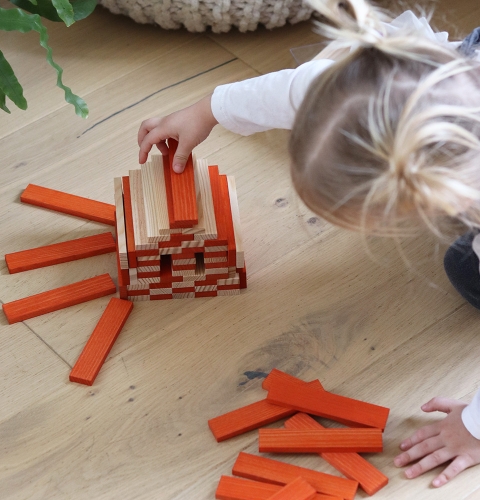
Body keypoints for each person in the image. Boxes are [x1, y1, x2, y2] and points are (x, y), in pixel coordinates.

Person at [137, 0, 480, 487]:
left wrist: (473, 429)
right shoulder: (374, 77)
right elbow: (298, 90)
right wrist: (207, 109)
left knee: (464, 270)